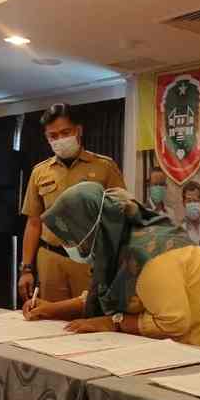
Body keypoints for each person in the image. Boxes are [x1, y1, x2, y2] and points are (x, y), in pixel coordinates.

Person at [25, 182, 200, 356]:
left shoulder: (151, 255)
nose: (68, 246)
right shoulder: (117, 246)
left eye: (72, 238)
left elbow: (174, 322)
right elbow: (103, 296)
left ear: (93, 229)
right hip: (187, 349)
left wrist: (114, 323)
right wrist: (49, 310)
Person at [19, 103, 126, 303]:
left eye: (65, 132)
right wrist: (26, 269)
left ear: (79, 130)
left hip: (89, 260)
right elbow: (33, 223)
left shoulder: (104, 167)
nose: (60, 139)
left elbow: (120, 216)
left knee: (88, 313)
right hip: (51, 257)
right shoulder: (40, 172)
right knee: (50, 315)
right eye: (53, 136)